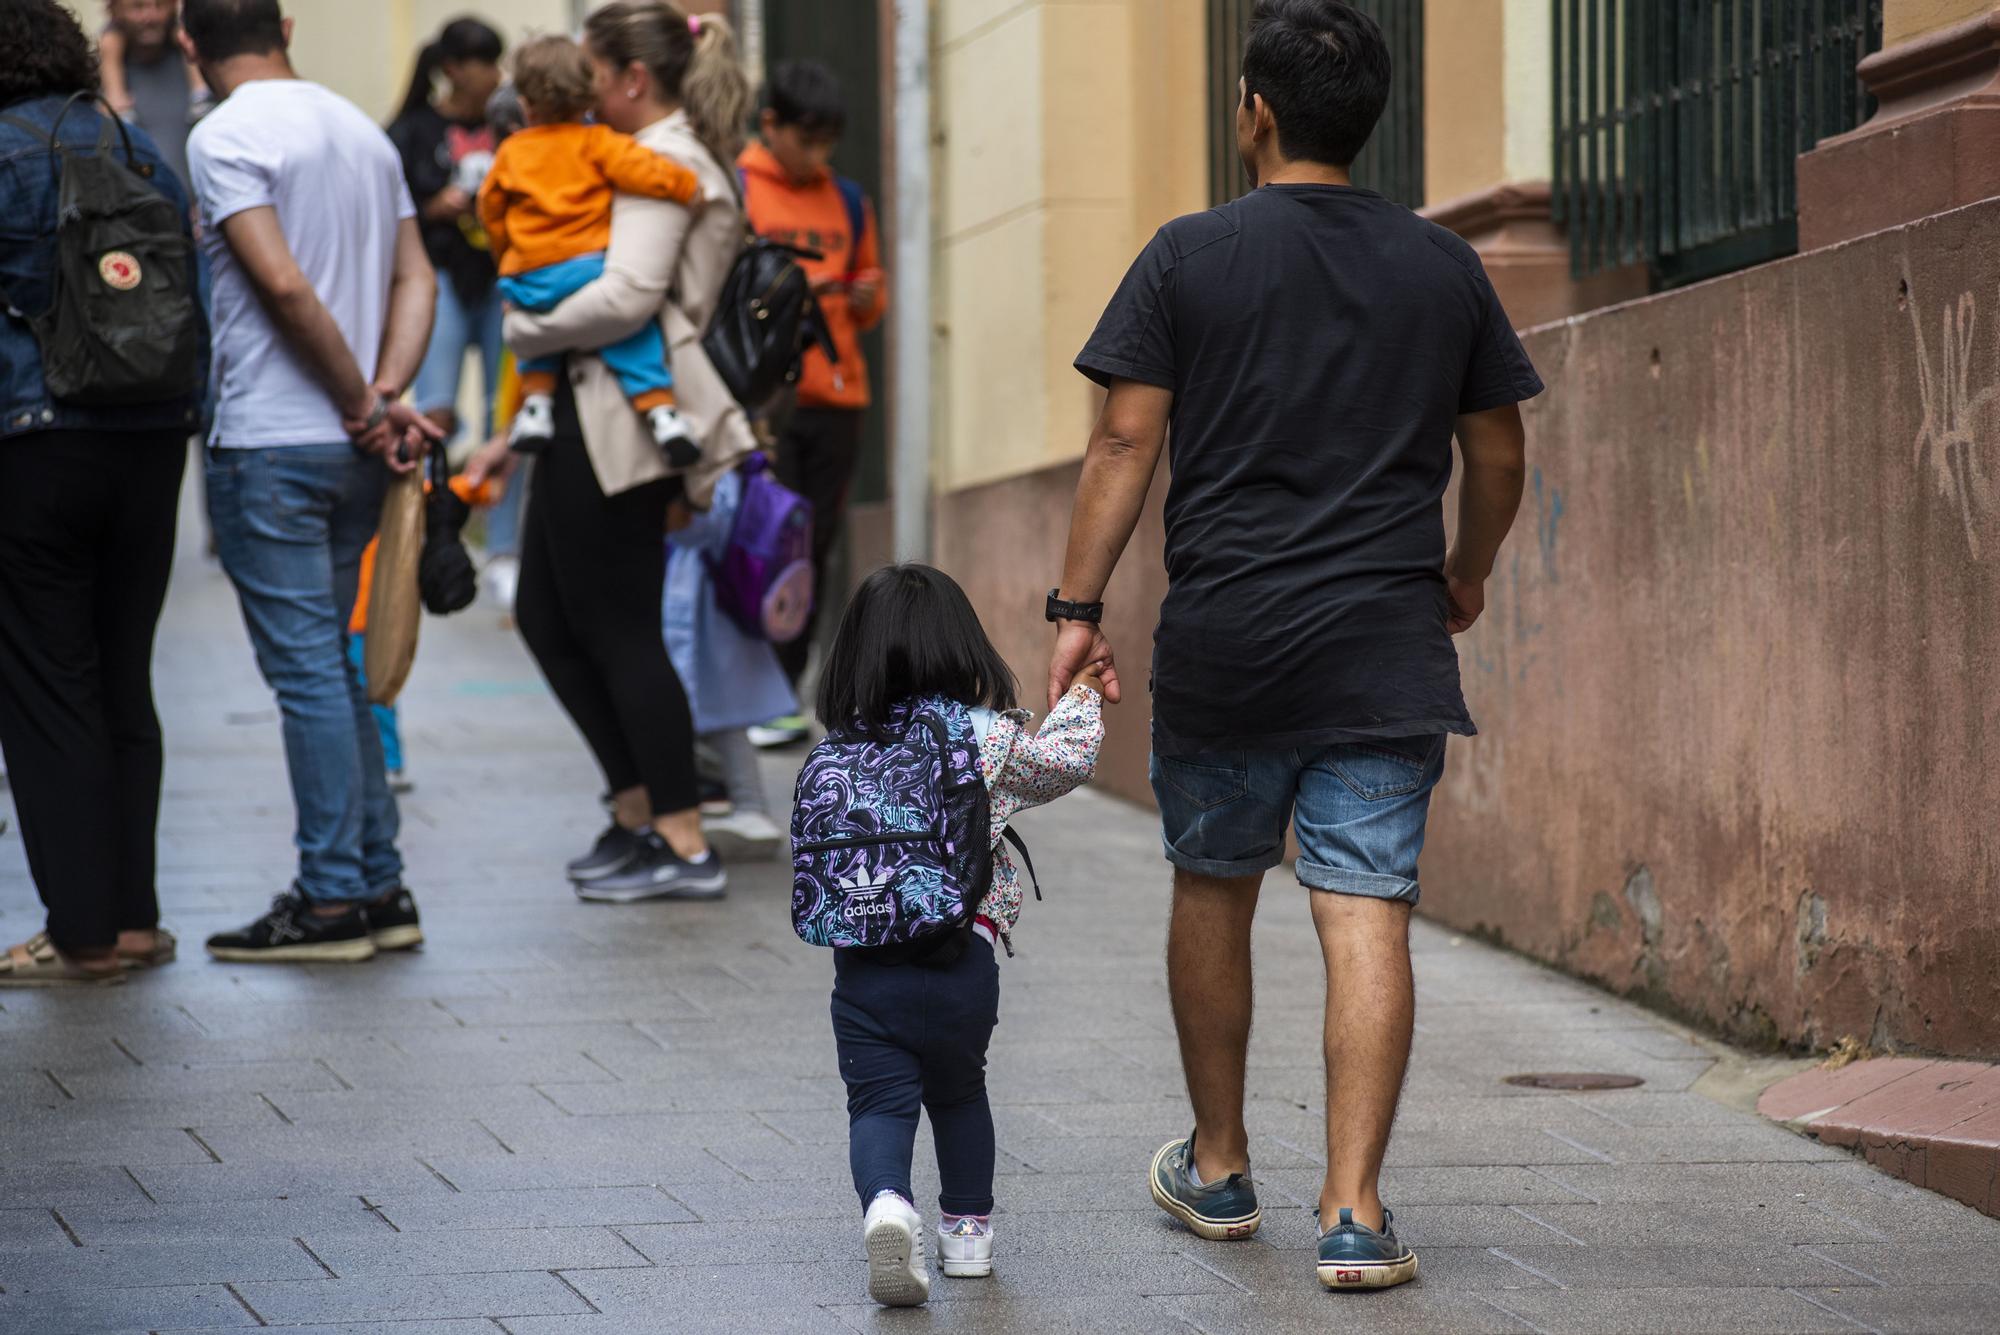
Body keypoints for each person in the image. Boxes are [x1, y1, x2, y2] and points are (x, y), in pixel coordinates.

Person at [1047, 0, 1541, 1291]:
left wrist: (1075, 607)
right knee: (1365, 902)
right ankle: (1356, 1207)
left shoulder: (1188, 254)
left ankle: (1217, 1166)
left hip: (1230, 637)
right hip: (1385, 638)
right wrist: (1467, 569)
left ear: (1254, 110)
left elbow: (1122, 441)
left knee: (1215, 881)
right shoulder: (1443, 266)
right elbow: (1497, 449)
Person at [463, 2, 756, 903]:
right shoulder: (629, 152)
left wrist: (521, 322)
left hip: (626, 420)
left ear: (632, 79)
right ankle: (639, 811)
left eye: (591, 76)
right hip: (589, 411)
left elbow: (628, 296)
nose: (578, 97)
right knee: (552, 618)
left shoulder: (664, 158)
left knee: (619, 626)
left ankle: (683, 838)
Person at [179, 0, 444, 963]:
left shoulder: (224, 135)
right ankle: (378, 884)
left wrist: (360, 402)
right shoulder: (359, 129)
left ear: (187, 42)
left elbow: (281, 284)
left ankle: (333, 897)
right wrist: (383, 392)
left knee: (308, 674)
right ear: (285, 25)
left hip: (273, 442)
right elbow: (418, 278)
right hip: (349, 449)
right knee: (331, 665)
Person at [811, 564, 1104, 1307]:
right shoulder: (983, 738)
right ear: (961, 645)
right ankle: (967, 1237)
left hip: (867, 968)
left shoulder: (843, 747)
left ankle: (886, 1204)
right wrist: (1083, 698)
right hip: (962, 961)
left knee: (879, 1102)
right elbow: (1066, 763)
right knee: (960, 1092)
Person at [0, 0, 207, 985]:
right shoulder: (135, 144)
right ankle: (133, 920)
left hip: (34, 442)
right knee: (125, 671)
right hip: (150, 440)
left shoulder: (1, 149)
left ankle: (79, 932)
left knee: (48, 682)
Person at [738, 58, 887, 748]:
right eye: (807, 139)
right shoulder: (741, 188)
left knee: (814, 547)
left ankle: (786, 691)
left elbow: (872, 293)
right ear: (771, 126)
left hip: (837, 394)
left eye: (828, 142)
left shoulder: (848, 201)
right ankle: (755, 688)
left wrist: (863, 294)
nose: (818, 156)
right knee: (764, 539)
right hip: (768, 401)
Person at [478, 34, 703, 464]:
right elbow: (645, 172)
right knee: (633, 333)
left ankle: (536, 408)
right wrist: (688, 186)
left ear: (525, 104)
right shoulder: (597, 142)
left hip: (529, 275)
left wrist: (507, 260)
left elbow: (489, 210)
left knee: (539, 333)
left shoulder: (510, 153)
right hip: (587, 267)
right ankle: (661, 411)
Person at [385, 17, 512, 592]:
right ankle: (431, 537)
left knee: (504, 417)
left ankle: (503, 550)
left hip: (503, 283)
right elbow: (392, 208)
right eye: (486, 62)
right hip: (437, 280)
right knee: (434, 413)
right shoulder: (412, 130)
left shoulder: (510, 125)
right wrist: (436, 207)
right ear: (455, 69)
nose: (497, 75)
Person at [660, 479, 795, 859]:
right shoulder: (740, 468)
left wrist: (669, 510)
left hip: (706, 608)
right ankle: (738, 804)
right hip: (715, 609)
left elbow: (701, 527)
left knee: (716, 716)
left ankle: (742, 807)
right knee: (719, 716)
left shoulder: (716, 472)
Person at [98, 0, 211, 191]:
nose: (150, 17)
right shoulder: (97, 71)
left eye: (160, 5)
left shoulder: (201, 64)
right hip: (137, 207)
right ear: (114, 11)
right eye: (137, 7)